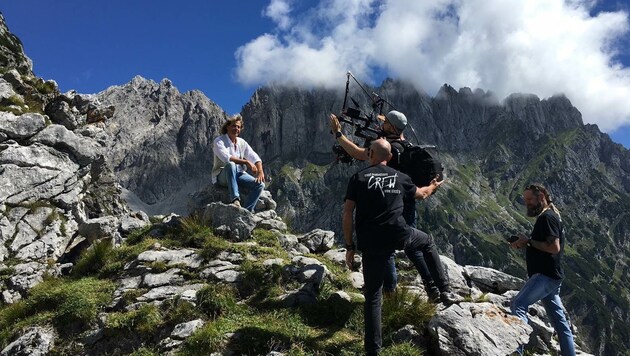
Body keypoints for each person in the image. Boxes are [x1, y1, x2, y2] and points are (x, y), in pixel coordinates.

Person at [343, 139, 457, 355]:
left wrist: (350, 246)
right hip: (399, 235)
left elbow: (348, 213)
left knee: (373, 296)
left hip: (370, 241)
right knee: (427, 242)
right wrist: (433, 185)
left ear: (370, 154)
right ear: (390, 157)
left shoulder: (358, 178)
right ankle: (444, 290)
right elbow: (422, 194)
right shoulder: (401, 177)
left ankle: (373, 351)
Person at [330, 110, 440, 299]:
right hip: (408, 201)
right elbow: (395, 129)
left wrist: (339, 134)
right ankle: (432, 286)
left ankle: (389, 292)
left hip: (390, 204)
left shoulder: (388, 149)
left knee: (387, 249)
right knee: (413, 246)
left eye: (386, 123)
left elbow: (357, 152)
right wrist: (387, 122)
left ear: (391, 127)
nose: (382, 124)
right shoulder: (406, 145)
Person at [510, 184, 575, 356]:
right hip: (553, 276)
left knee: (518, 304)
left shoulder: (546, 217)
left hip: (545, 276)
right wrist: (526, 242)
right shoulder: (553, 215)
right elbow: (546, 246)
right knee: (559, 322)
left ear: (541, 197)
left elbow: (554, 247)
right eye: (525, 200)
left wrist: (528, 241)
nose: (527, 203)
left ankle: (517, 351)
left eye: (530, 199)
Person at [211, 114, 265, 212]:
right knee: (231, 165)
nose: (236, 128)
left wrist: (260, 171)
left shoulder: (241, 142)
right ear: (227, 127)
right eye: (234, 126)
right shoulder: (219, 141)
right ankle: (235, 199)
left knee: (260, 185)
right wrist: (246, 162)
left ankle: (247, 211)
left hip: (239, 174)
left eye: (239, 127)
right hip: (222, 175)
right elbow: (227, 158)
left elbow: (254, 156)